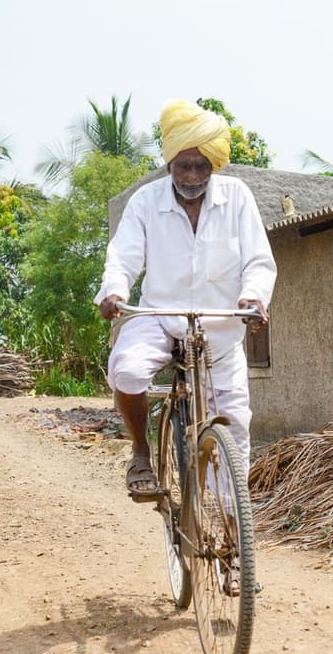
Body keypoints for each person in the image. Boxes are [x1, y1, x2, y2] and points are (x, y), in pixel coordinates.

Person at [95, 99, 277, 501]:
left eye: (201, 166)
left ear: (214, 165)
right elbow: (123, 256)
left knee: (236, 429)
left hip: (221, 329)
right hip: (158, 316)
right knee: (125, 370)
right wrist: (115, 292)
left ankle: (232, 527)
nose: (193, 175)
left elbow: (259, 262)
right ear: (169, 164)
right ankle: (142, 451)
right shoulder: (146, 202)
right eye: (183, 166)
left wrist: (254, 298)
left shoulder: (237, 197)